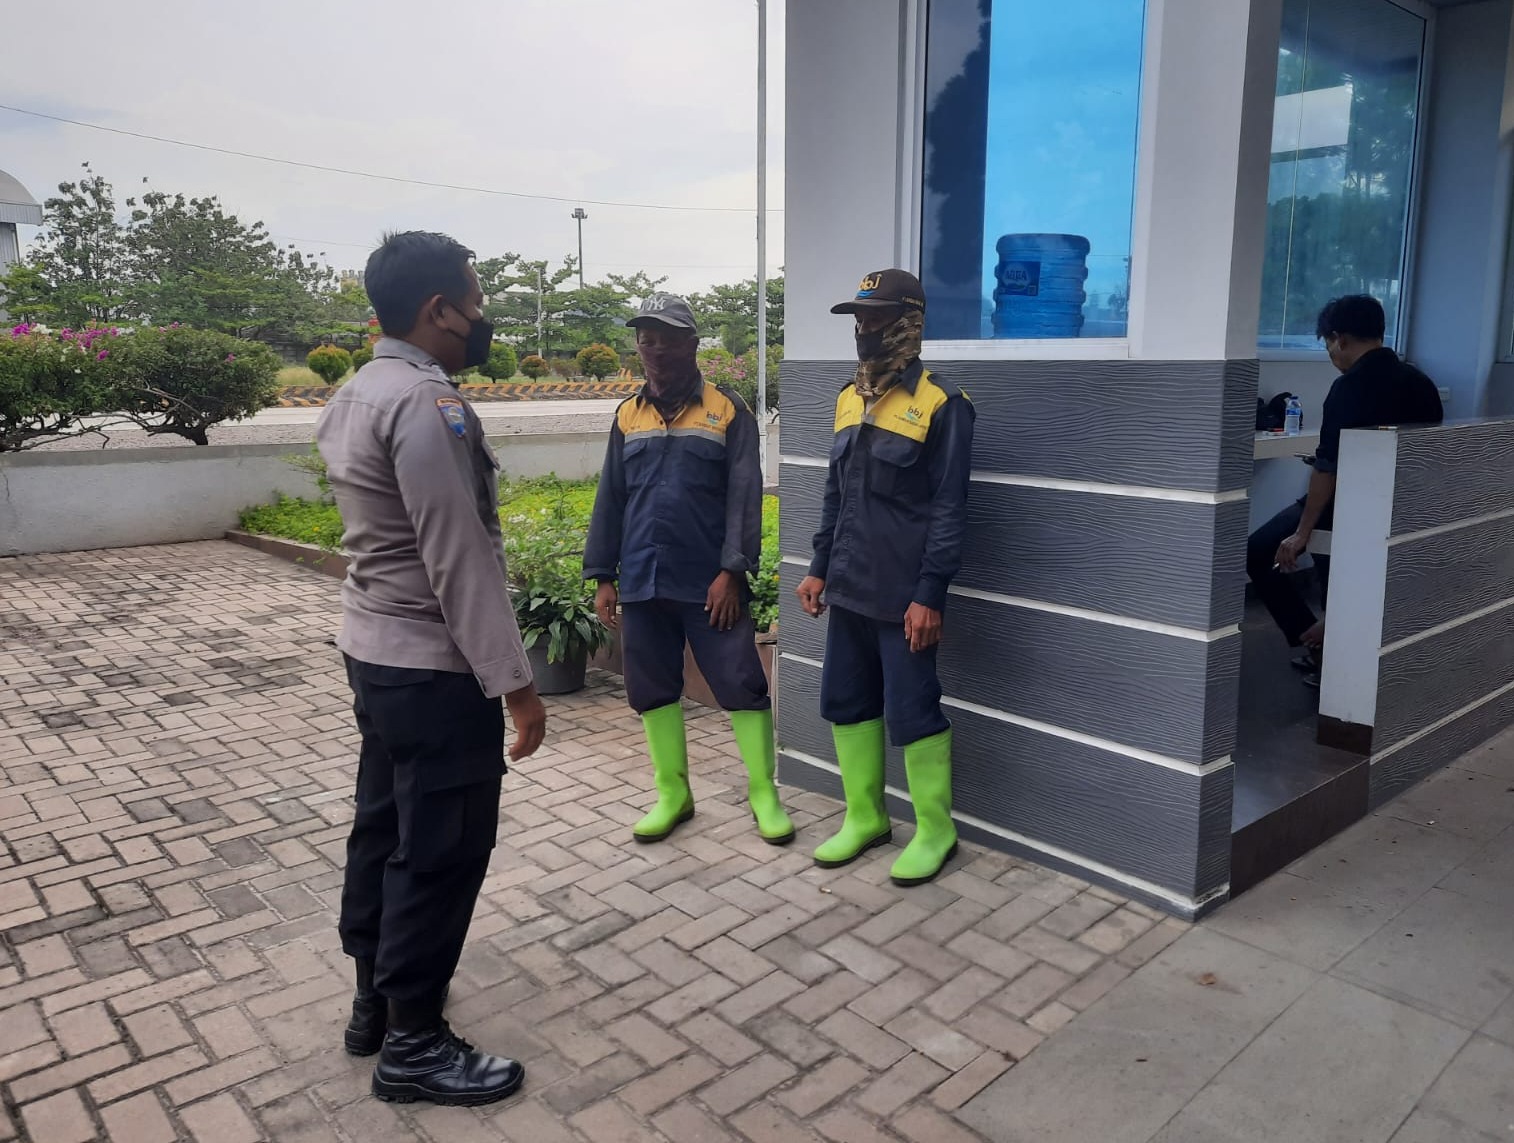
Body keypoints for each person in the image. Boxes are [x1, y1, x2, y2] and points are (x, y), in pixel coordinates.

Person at [315, 231, 547, 1107]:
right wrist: (517, 685)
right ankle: (414, 1043)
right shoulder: (425, 402)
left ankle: (372, 1003)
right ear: (437, 310)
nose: (480, 319)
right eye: (475, 303)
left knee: (382, 825)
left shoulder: (355, 392)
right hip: (435, 667)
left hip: (375, 655)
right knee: (441, 845)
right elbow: (460, 558)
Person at [584, 293, 793, 847]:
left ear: (692, 344)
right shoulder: (627, 414)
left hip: (709, 584)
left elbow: (744, 497)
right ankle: (673, 794)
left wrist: (732, 571)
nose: (655, 350)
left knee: (741, 682)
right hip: (643, 579)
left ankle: (763, 792)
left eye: (667, 339)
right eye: (646, 340)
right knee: (651, 687)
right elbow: (611, 497)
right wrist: (603, 574)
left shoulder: (727, 410)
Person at [795, 269, 975, 886]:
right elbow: (835, 494)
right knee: (846, 703)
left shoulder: (943, 405)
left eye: (876, 317)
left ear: (909, 322)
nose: (864, 328)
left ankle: (936, 830)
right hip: (847, 586)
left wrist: (930, 594)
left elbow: (949, 510)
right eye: (859, 318)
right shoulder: (848, 397)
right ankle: (866, 817)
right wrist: (818, 567)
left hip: (903, 597)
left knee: (913, 710)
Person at [1246, 295, 1443, 676]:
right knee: (1348, 582)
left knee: (1261, 550)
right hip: (1405, 505)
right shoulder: (1422, 383)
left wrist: (1302, 533)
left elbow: (1328, 468)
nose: (1331, 355)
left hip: (1344, 506)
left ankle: (1319, 646)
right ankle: (1330, 641)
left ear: (1339, 339)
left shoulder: (1349, 387)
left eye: (1327, 346)